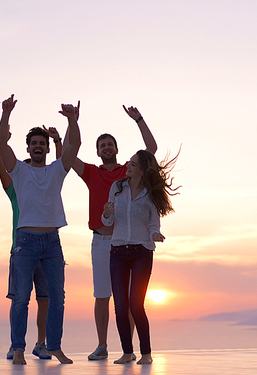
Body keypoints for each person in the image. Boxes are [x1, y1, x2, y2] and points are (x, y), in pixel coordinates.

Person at [64, 105, 157, 360]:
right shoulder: (91, 172)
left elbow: (151, 149)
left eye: (110, 144)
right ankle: (102, 345)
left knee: (131, 300)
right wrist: (72, 123)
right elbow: (67, 155)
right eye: (102, 145)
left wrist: (139, 119)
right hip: (101, 242)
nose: (106, 148)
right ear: (97, 151)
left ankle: (132, 348)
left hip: (129, 244)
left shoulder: (128, 171)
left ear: (116, 149)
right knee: (102, 295)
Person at [0, 94, 80, 365]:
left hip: (52, 242)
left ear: (46, 148)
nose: (38, 147)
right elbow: (0, 145)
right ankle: (18, 348)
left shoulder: (56, 171)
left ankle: (53, 346)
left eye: (42, 144)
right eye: (34, 143)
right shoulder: (19, 171)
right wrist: (5, 113)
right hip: (25, 242)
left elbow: (75, 144)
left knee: (57, 298)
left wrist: (71, 120)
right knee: (21, 298)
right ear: (28, 147)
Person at [102, 149, 179, 365]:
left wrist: (155, 233)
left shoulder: (151, 193)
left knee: (136, 305)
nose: (128, 165)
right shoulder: (117, 188)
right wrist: (107, 214)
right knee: (119, 306)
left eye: (133, 164)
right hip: (117, 251)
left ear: (143, 170)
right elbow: (108, 221)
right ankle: (127, 353)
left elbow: (154, 222)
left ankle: (146, 354)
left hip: (142, 252)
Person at [0, 125, 62, 360]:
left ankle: (41, 343)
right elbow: (2, 167)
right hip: (22, 247)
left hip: (47, 245)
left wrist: (57, 141)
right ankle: (16, 345)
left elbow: (60, 165)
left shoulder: (46, 180)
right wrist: (3, 142)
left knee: (45, 298)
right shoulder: (15, 188)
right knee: (19, 298)